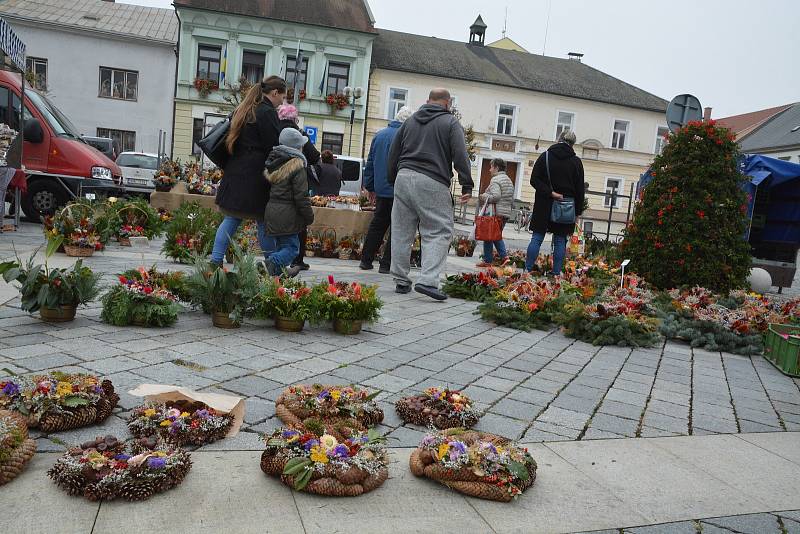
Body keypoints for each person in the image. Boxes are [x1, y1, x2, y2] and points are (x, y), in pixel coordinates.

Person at [387, 88, 473, 301]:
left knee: (401, 230)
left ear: (427, 101)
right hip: (432, 179)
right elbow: (461, 155)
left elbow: (393, 152)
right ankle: (428, 280)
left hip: (403, 176)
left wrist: (393, 179)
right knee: (438, 230)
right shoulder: (450, 123)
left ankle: (400, 280)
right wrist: (466, 184)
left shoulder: (409, 121)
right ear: (447, 103)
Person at [210, 75, 286, 268]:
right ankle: (273, 264)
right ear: (275, 93)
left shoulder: (245, 109)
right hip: (255, 176)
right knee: (263, 220)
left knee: (232, 217)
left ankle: (215, 261)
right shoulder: (266, 112)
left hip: (236, 171)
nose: (281, 103)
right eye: (282, 98)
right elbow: (273, 146)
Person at [359, 105, 413, 273]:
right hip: (400, 189)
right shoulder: (407, 137)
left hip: (382, 189)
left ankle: (366, 260)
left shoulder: (380, 135)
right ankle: (386, 263)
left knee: (377, 225)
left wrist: (370, 186)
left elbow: (370, 163)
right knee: (397, 227)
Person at [525, 129, 585, 275]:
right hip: (566, 207)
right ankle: (556, 273)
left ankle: (527, 270)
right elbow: (579, 190)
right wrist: (577, 212)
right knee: (560, 240)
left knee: (537, 237)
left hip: (543, 204)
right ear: (572, 144)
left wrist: (550, 193)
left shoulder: (545, 156)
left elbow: (534, 180)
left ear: (559, 139)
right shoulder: (576, 162)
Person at [262, 128, 314, 276]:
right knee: (292, 249)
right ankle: (270, 263)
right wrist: (309, 216)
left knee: (281, 247)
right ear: (297, 147)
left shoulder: (274, 162)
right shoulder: (297, 166)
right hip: (287, 214)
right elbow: (301, 196)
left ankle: (278, 278)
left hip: (272, 211)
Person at [276, 104, 321, 271]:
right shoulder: (298, 134)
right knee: (299, 223)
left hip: (274, 186)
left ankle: (274, 256)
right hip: (295, 186)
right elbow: (316, 157)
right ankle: (296, 259)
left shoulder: (274, 130)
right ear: (295, 119)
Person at [477, 157, 514, 267]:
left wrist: (483, 196)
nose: (489, 170)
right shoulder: (508, 179)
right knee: (489, 236)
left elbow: (496, 196)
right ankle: (488, 260)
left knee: (493, 236)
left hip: (496, 213)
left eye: (491, 167)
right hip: (505, 212)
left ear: (496, 167)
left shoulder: (496, 180)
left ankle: (504, 257)